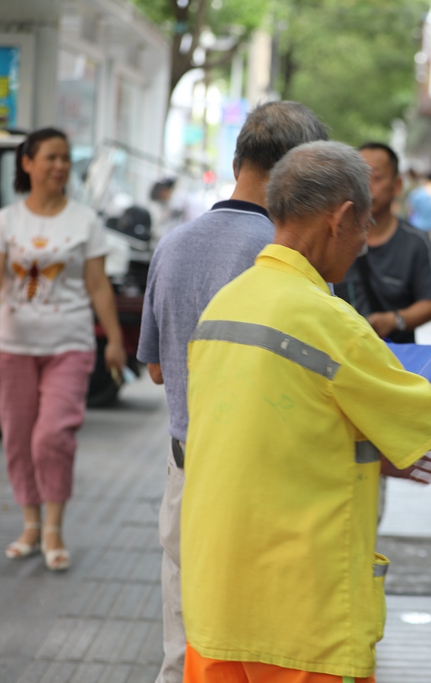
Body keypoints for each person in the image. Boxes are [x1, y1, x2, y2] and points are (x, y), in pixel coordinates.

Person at [179, 141, 431, 682]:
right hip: (299, 619)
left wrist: (369, 453)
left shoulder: (226, 305)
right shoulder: (331, 321)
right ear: (342, 218)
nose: (361, 246)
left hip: (215, 605)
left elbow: (263, 432)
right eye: (364, 227)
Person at [137, 101, 330, 683]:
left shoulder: (174, 244)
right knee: (256, 654)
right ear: (300, 171)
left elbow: (156, 371)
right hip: (263, 485)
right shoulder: (288, 256)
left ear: (237, 157)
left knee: (184, 648)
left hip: (187, 469)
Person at [0, 128, 126, 571]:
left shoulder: (84, 221)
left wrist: (112, 340)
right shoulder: (6, 221)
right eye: (51, 157)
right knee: (17, 438)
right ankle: (30, 525)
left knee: (51, 436)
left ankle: (53, 528)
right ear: (27, 164)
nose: (60, 166)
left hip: (69, 344)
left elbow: (97, 284)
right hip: (13, 347)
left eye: (66, 158)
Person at [332, 142, 431, 344]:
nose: (366, 186)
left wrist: (395, 320)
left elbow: (428, 304)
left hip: (395, 357)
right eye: (359, 178)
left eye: (376, 177)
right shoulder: (333, 236)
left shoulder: (416, 243)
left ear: (397, 185)